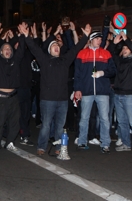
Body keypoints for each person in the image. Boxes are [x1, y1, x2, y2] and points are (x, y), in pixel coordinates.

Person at [22, 22, 88, 155]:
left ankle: (58, 148)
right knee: (46, 125)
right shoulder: (45, 60)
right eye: (53, 46)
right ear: (49, 50)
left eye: (57, 45)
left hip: (62, 100)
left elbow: (75, 49)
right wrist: (26, 36)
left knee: (59, 126)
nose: (56, 47)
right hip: (47, 100)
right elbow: (34, 48)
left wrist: (85, 37)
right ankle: (41, 146)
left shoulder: (65, 60)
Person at [74, 31, 116, 153]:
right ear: (91, 40)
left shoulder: (106, 53)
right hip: (87, 91)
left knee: (104, 118)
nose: (99, 41)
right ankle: (82, 141)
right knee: (84, 118)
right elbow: (77, 74)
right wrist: (77, 89)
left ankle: (105, 143)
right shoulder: (82, 54)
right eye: (97, 38)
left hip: (102, 91)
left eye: (100, 39)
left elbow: (113, 70)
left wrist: (102, 73)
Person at [0, 24, 25, 154]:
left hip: (13, 97)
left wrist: (21, 36)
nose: (7, 50)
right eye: (5, 48)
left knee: (14, 122)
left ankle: (10, 142)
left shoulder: (15, 60)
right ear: (1, 51)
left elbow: (21, 50)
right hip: (0, 97)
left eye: (9, 48)